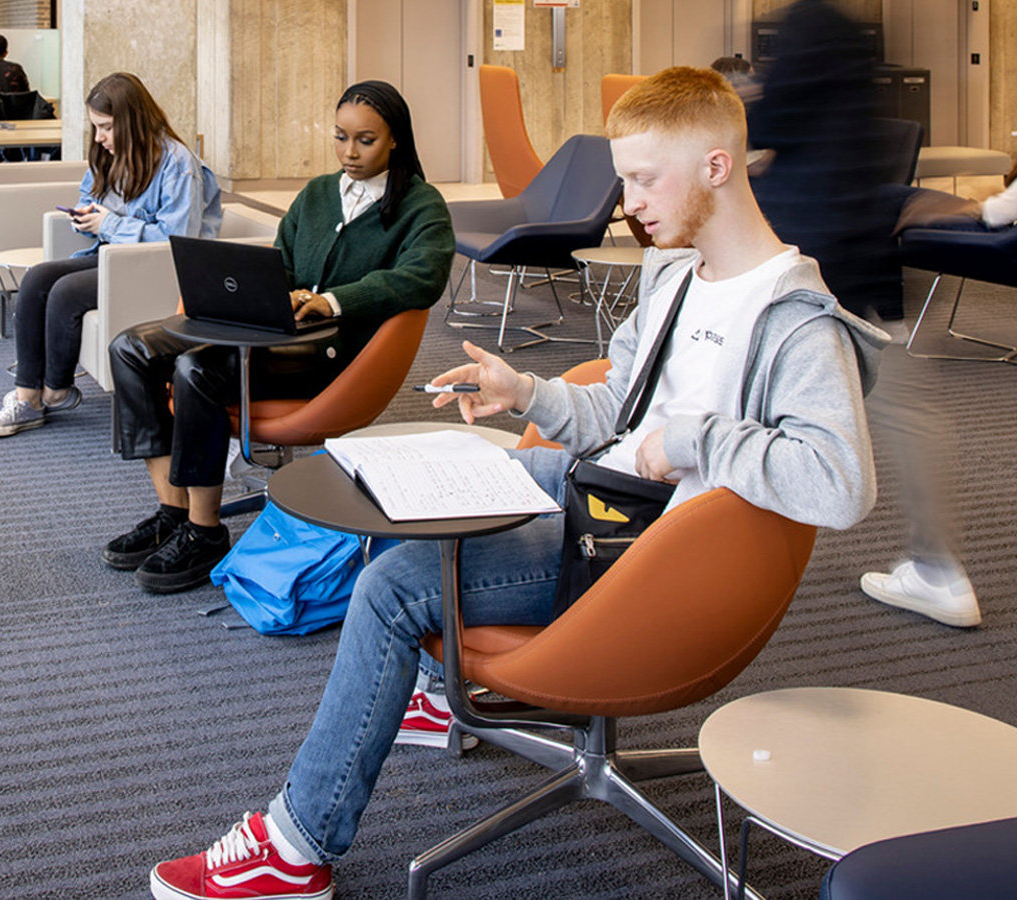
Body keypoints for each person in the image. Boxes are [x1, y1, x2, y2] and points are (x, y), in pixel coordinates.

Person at [147, 66, 884, 900]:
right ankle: (430, 694)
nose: (627, 201)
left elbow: (841, 482)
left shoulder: (792, 319)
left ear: (716, 167)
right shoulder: (677, 275)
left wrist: (691, 438)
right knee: (403, 474)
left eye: (644, 179)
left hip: (643, 550)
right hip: (599, 487)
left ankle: (296, 846)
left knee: (393, 589)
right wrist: (525, 393)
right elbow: (619, 406)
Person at [102, 80, 455, 597]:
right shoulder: (318, 193)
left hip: (334, 353)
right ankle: (172, 513)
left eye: (365, 140)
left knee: (194, 372)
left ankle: (205, 531)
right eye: (340, 137)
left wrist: (334, 300)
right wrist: (277, 292)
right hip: (274, 331)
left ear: (396, 140)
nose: (349, 153)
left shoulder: (421, 207)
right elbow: (281, 259)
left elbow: (422, 277)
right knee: (130, 349)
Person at [747, 0, 979, 628]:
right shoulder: (843, 29)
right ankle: (938, 567)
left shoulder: (809, 23)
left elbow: (778, 117)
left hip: (810, 248)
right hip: (858, 240)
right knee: (903, 412)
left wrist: (739, 105)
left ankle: (712, 551)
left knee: (745, 391)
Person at [0, 72, 222, 439]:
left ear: (133, 121)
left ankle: (56, 391)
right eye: (96, 127)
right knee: (36, 280)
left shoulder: (178, 164)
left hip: (158, 268)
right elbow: (88, 199)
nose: (99, 138)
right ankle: (28, 397)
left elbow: (176, 240)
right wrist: (85, 217)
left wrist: (107, 225)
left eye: (105, 127)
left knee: (65, 293)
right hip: (113, 257)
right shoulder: (110, 155)